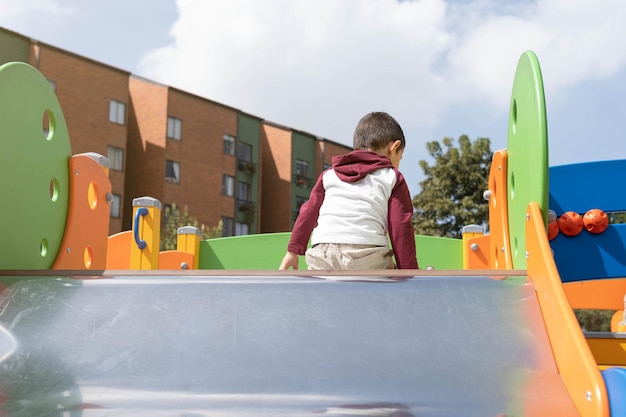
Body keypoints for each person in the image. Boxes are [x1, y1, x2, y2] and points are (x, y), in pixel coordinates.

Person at [279, 111, 418, 270]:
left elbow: (308, 212)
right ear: (394, 147)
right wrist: (408, 271)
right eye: (399, 157)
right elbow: (400, 226)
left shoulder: (329, 176)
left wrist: (293, 251)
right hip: (366, 254)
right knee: (387, 280)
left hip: (322, 254)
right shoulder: (392, 177)